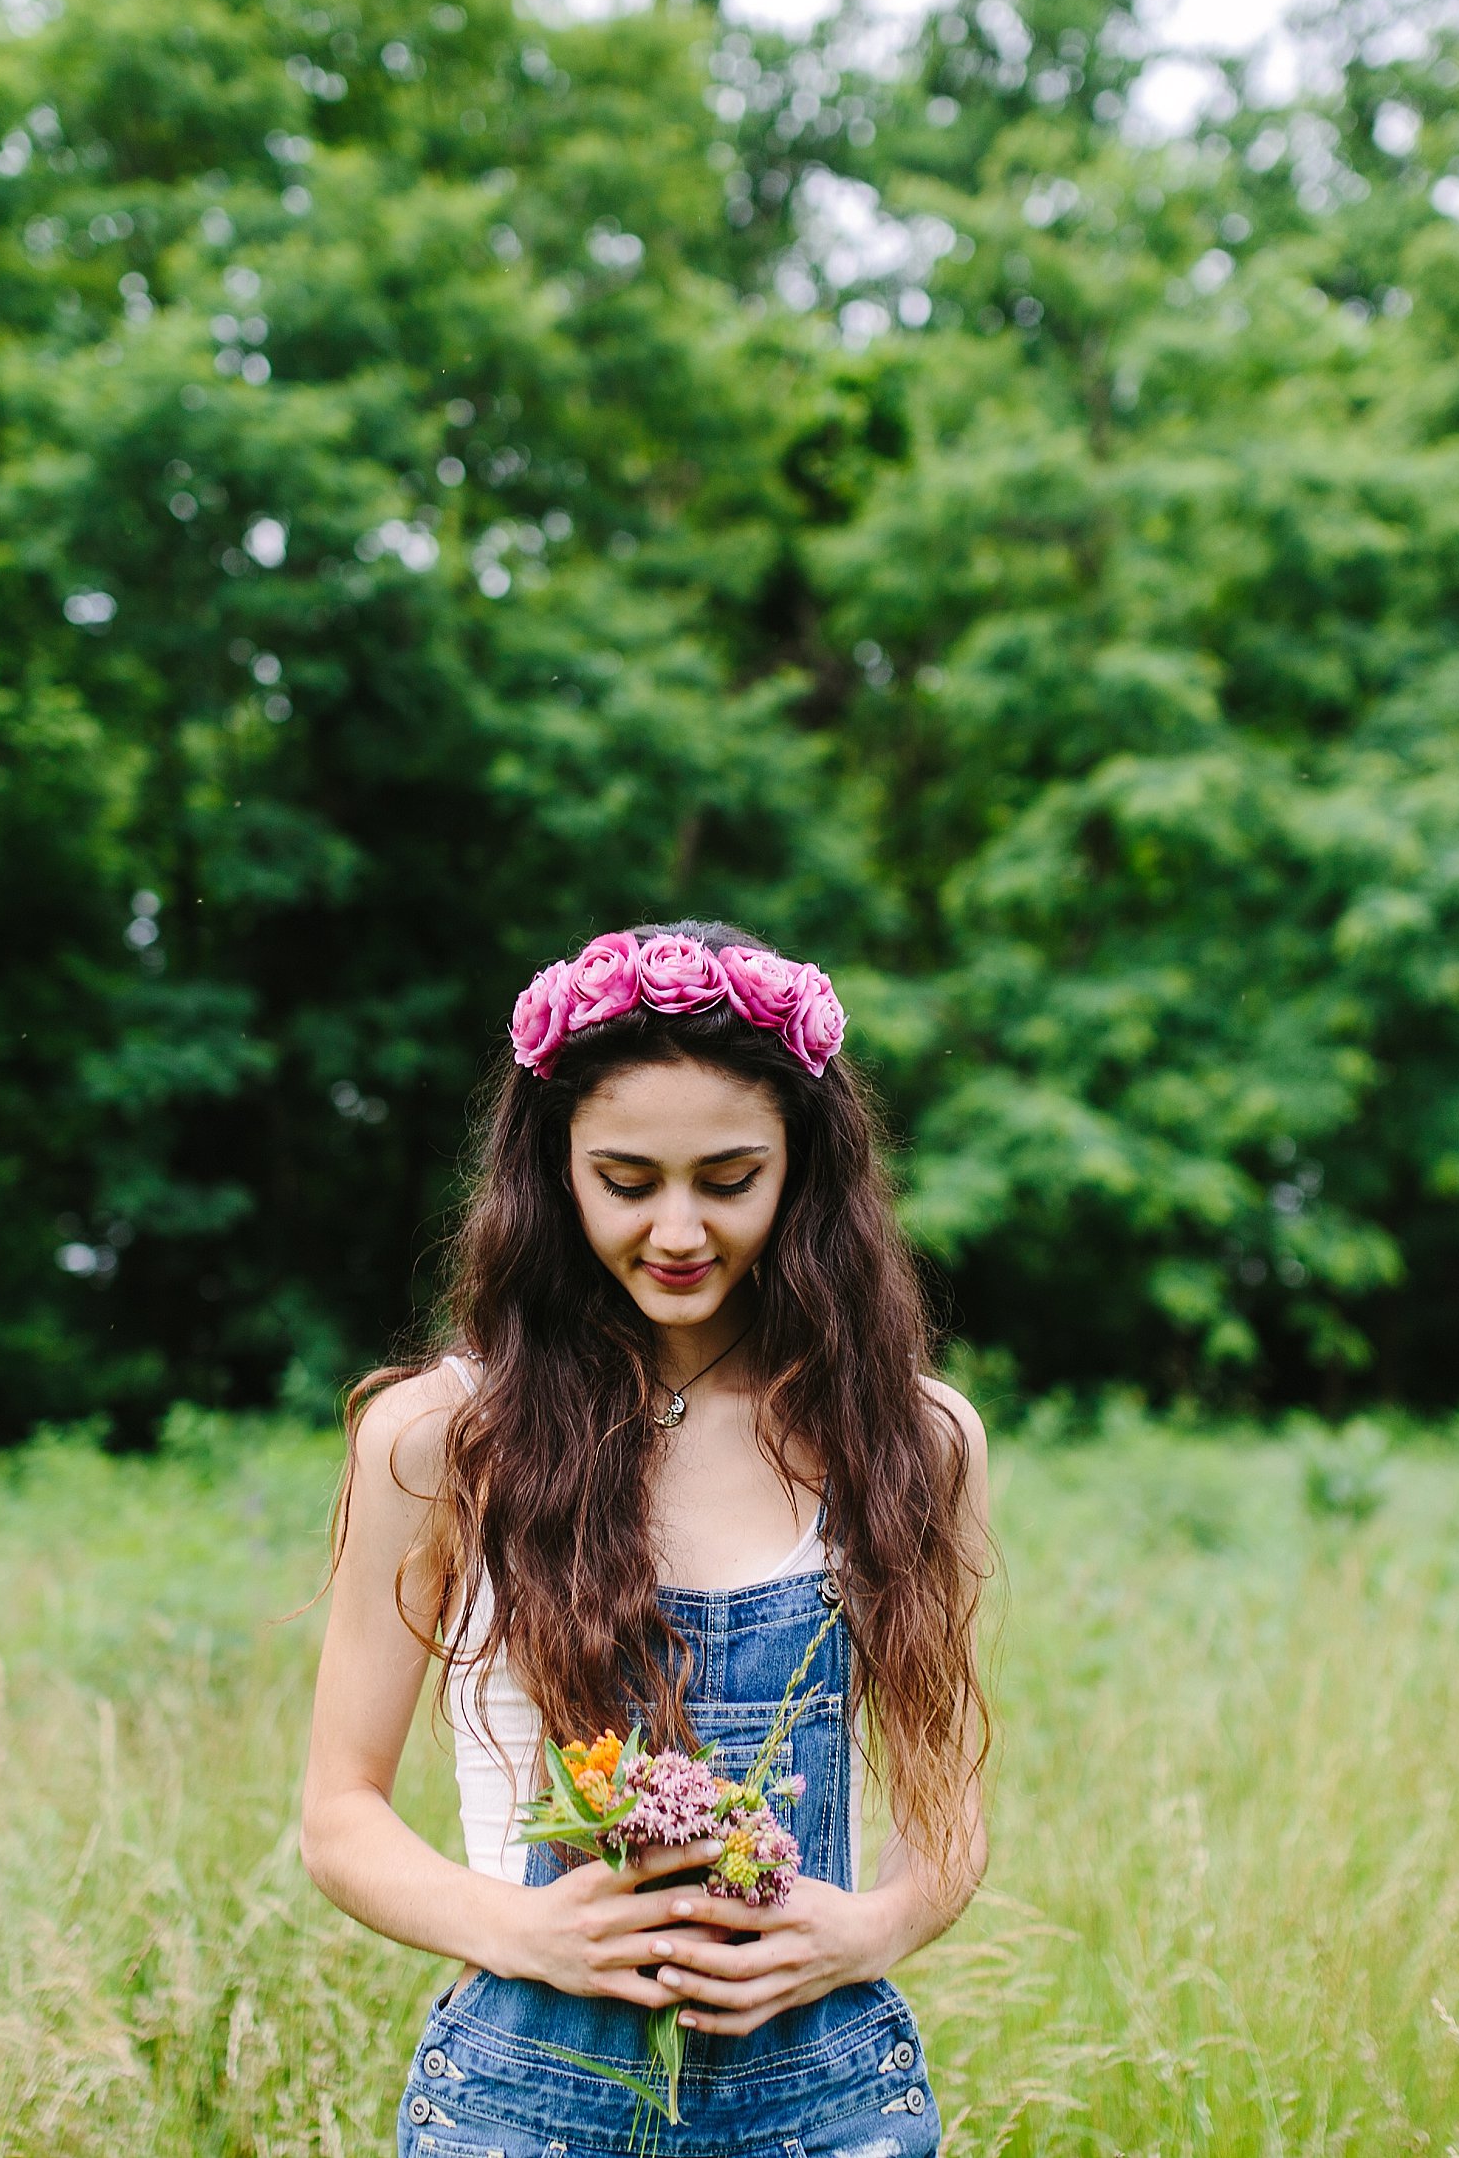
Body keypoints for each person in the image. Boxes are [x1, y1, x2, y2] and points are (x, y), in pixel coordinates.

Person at [303, 921, 995, 2157]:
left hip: (825, 2106)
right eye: (626, 1181)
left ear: (803, 1172)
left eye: (728, 1179)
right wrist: (517, 1929)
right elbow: (337, 1815)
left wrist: (874, 1925)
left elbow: (947, 1815)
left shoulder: (914, 1436)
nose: (676, 1229)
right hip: (526, 2105)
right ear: (553, 1170)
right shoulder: (436, 1439)